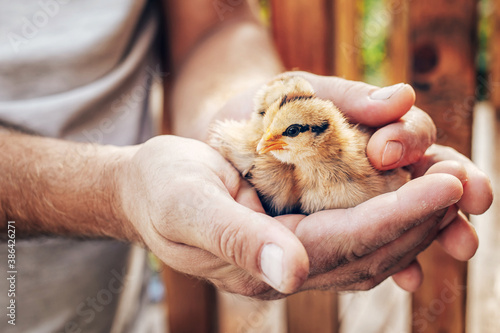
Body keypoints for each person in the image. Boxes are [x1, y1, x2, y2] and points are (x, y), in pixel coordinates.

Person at [0, 0, 492, 331]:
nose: (267, 139)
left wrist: (229, 104)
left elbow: (215, 22)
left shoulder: (313, 155)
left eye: (283, 129)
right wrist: (115, 193)